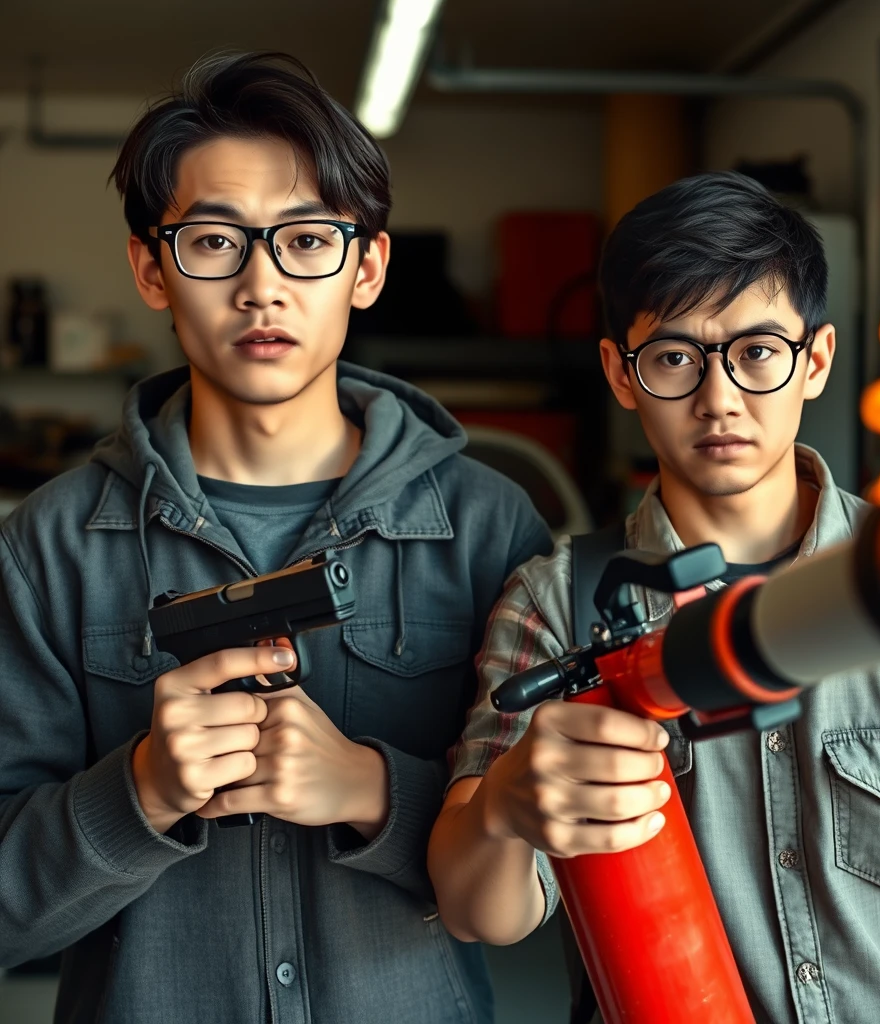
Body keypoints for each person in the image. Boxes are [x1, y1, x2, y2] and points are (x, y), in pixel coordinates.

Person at [0, 52, 552, 1024]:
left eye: (306, 241)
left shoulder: (488, 530)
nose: (261, 286)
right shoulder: (45, 548)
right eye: (214, 242)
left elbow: (547, 875)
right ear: (150, 269)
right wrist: (138, 789)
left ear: (367, 267)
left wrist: (377, 791)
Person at [428, 171, 880, 1023]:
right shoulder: (557, 601)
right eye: (674, 357)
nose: (718, 399)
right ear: (620, 373)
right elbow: (477, 910)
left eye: (756, 353)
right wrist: (504, 809)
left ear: (813, 360)